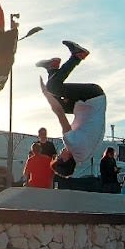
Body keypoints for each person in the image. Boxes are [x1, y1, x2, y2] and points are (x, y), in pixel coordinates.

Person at [35, 40, 108, 181]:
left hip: (89, 104)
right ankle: (77, 56)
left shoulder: (82, 155)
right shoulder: (72, 144)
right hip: (91, 97)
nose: (58, 153)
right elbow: (59, 113)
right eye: (58, 157)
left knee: (57, 99)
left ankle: (52, 68)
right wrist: (45, 93)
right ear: (66, 159)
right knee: (52, 88)